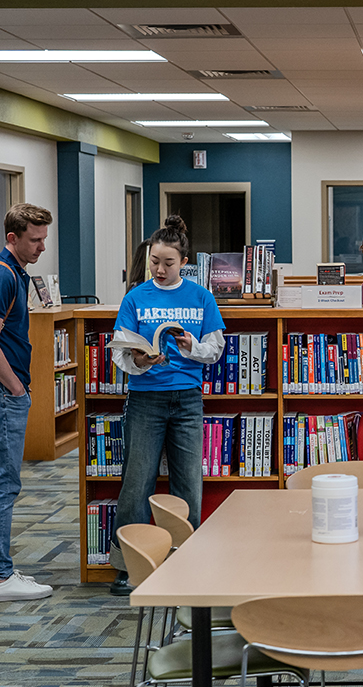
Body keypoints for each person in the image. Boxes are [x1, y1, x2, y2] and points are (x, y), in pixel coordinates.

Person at [108, 215, 225, 595]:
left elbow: (216, 349)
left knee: (187, 482)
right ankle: (129, 565)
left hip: (187, 399)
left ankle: (186, 558)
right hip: (145, 399)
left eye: (168, 262)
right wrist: (140, 361)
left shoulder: (200, 297)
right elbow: (120, 352)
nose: (159, 269)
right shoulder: (136, 297)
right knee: (137, 481)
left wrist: (194, 347)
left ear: (183, 262)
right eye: (154, 261)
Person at [0, 203, 54, 602]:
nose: (41, 248)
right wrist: (16, 387)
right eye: (34, 240)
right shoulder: (3, 276)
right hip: (6, 394)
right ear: (12, 238)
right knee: (6, 484)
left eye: (44, 240)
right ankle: (2, 576)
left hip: (10, 392)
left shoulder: (17, 272)